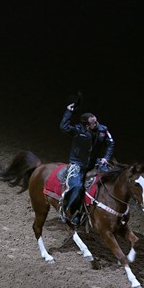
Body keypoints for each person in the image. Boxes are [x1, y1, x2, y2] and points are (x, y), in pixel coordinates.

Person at [59, 95, 114, 225]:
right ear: (87, 125)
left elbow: (110, 143)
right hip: (78, 163)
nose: (97, 123)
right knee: (77, 186)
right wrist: (69, 111)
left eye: (96, 121)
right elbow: (63, 127)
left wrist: (106, 158)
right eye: (94, 122)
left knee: (111, 178)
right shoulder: (78, 130)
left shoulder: (103, 130)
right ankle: (71, 212)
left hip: (95, 161)